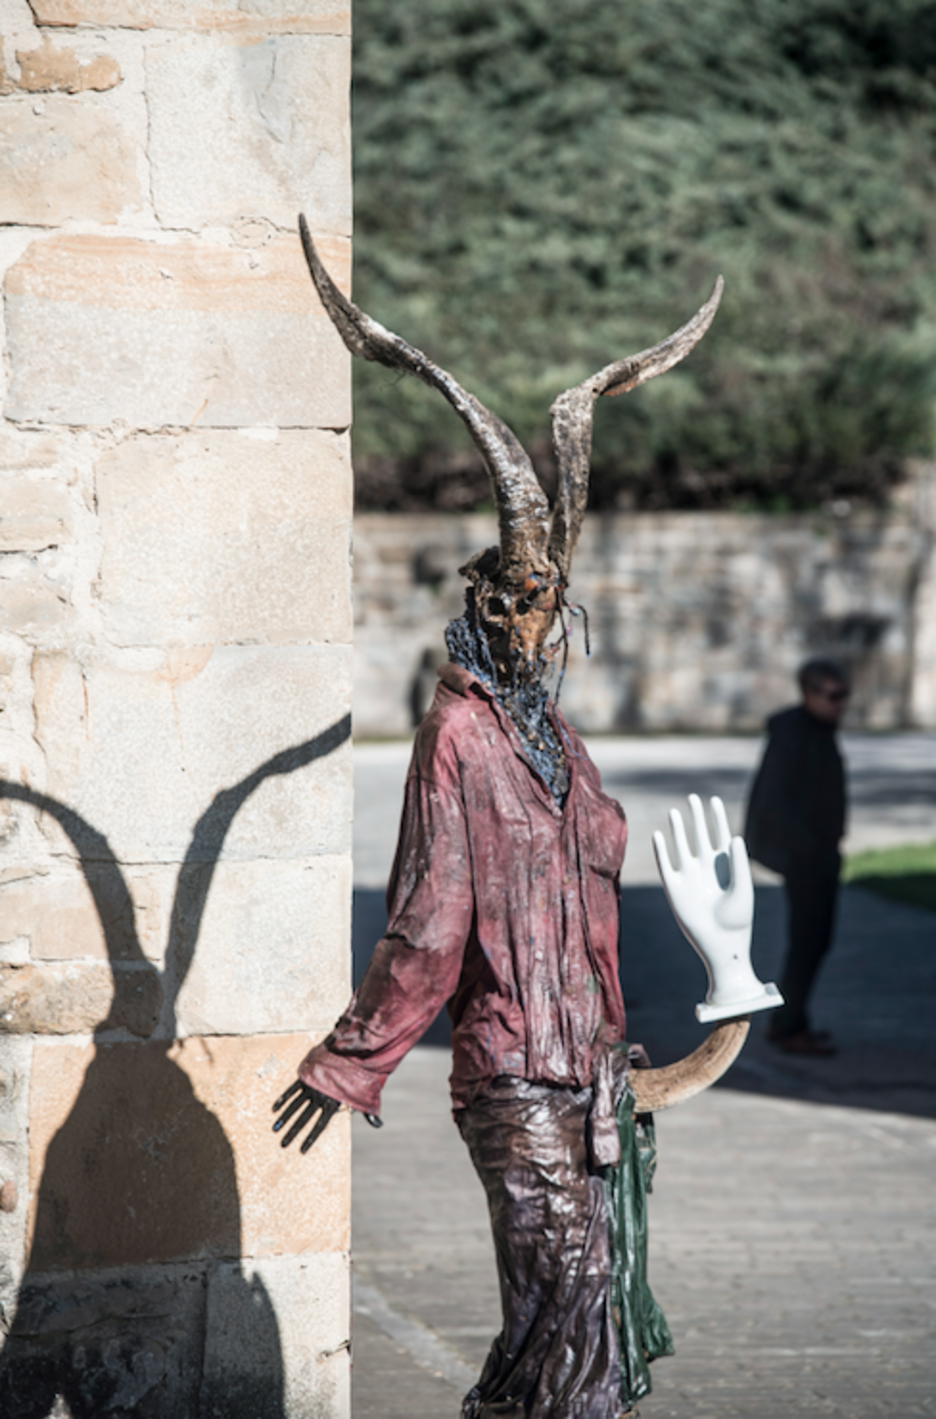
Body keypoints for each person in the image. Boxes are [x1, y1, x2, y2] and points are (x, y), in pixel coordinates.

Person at [272, 220, 724, 1419]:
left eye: (551, 598)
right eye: (519, 596)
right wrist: (355, 1056)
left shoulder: (556, 741)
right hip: (516, 1082)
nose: (535, 621)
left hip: (594, 1080)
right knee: (563, 1313)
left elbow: (592, 896)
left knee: (587, 1320)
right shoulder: (461, 736)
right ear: (483, 599)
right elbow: (429, 917)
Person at [744, 657, 850, 1056]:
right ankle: (787, 1027)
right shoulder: (793, 734)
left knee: (816, 941)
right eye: (832, 695)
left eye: (844, 696)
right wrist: (807, 850)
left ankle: (793, 1021)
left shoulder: (818, 730)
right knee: (808, 942)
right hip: (807, 856)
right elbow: (774, 800)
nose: (840, 704)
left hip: (819, 852)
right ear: (809, 693)